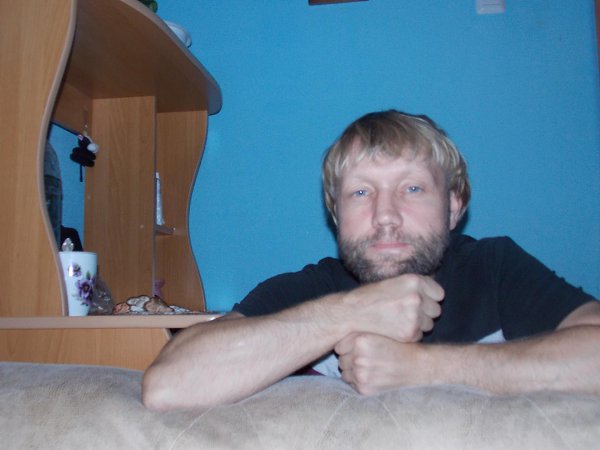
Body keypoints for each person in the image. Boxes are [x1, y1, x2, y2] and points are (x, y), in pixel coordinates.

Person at [142, 110, 600, 411]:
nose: (385, 216)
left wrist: (424, 368)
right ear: (336, 213)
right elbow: (168, 385)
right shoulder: (309, 291)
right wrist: (352, 312)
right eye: (361, 192)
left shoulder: (494, 268)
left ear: (454, 206)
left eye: (412, 188)